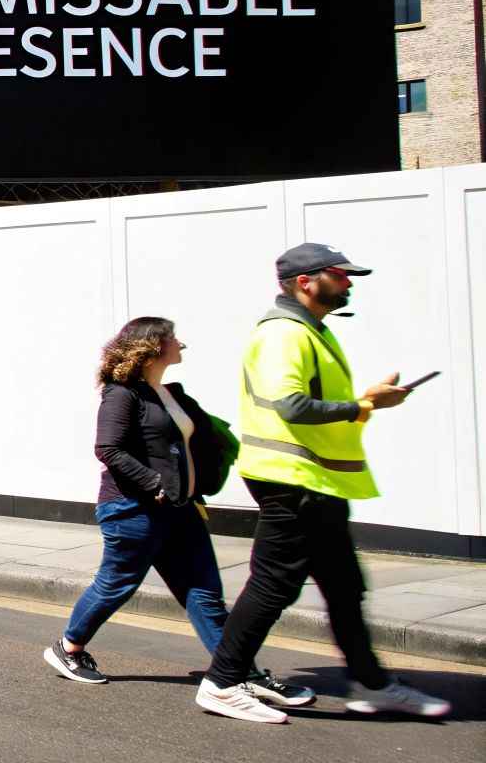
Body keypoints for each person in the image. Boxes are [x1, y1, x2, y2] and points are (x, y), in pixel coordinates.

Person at [195, 244, 450, 723]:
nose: (349, 283)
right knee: (274, 585)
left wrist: (367, 401)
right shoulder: (284, 334)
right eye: (341, 274)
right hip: (291, 481)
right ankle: (222, 682)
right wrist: (366, 406)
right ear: (306, 281)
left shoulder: (312, 331)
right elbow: (290, 406)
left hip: (315, 481)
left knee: (343, 585)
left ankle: (371, 683)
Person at [42, 318, 312, 707]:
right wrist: (156, 484)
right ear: (151, 345)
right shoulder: (121, 394)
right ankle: (68, 648)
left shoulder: (169, 393)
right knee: (116, 585)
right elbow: (109, 450)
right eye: (172, 337)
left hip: (181, 510)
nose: (180, 343)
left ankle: (238, 674)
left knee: (205, 594)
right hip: (132, 509)